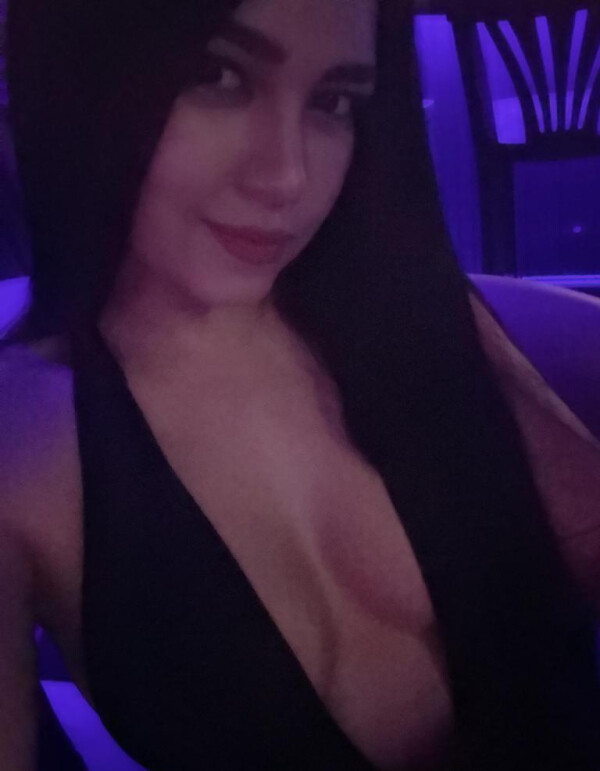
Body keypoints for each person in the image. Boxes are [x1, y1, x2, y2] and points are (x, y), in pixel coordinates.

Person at [1, 0, 600, 769]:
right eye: (218, 75)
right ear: (87, 73)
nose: (288, 175)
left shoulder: (407, 308)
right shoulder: (23, 442)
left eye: (334, 102)